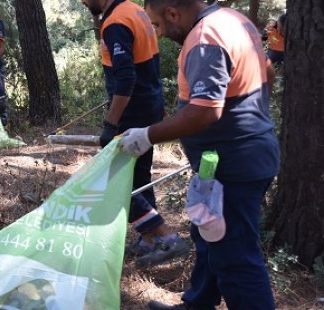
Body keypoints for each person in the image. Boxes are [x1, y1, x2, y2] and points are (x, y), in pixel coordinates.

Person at [121, 0, 279, 308]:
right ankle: (198, 303)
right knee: (207, 234)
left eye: (158, 25)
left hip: (235, 165)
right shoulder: (233, 20)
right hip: (237, 157)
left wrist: (147, 136)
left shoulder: (205, 38)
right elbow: (268, 74)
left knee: (235, 257)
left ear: (172, 13)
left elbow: (204, 112)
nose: (160, 33)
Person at [81, 0, 190, 268]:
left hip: (132, 112)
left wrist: (110, 124)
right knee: (139, 177)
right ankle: (150, 239)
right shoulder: (135, 10)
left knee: (116, 180)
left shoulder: (116, 22)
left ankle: (167, 237)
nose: (82, 1)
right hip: (149, 104)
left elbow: (126, 78)